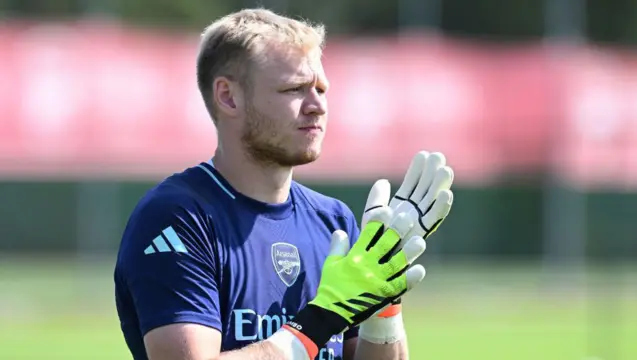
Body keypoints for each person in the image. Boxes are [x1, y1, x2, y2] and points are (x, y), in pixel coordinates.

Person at [113, 8, 454, 360]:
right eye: (294, 89)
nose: (318, 105)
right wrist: (320, 319)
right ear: (228, 97)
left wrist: (384, 301)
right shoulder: (177, 218)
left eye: (321, 89)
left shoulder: (333, 221)